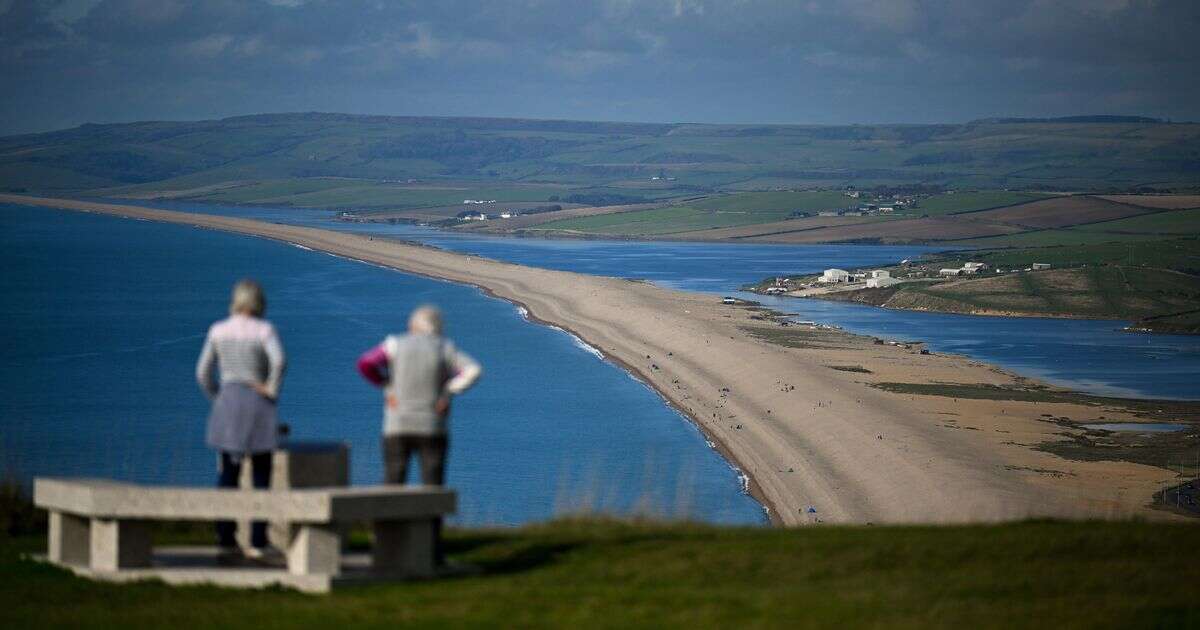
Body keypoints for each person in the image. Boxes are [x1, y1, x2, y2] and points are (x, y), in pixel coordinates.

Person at [357, 305, 481, 562]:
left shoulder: (394, 344)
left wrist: (386, 386)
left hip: (397, 425)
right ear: (437, 328)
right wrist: (448, 391)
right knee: (433, 489)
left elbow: (366, 363)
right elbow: (472, 370)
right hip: (432, 426)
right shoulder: (444, 348)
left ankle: (387, 547)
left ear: (413, 326)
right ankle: (431, 550)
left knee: (393, 484)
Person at [196, 279, 286, 559]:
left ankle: (225, 535)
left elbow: (202, 373)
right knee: (261, 472)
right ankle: (258, 540)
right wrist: (270, 389)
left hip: (229, 400)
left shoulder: (218, 330)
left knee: (228, 471)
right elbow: (280, 361)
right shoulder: (264, 330)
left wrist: (218, 396)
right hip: (257, 401)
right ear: (259, 302)